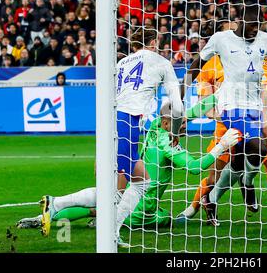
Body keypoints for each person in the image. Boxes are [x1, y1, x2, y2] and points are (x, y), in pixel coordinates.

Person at [40, 27, 184, 247]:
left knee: (142, 181)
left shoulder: (120, 63)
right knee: (115, 189)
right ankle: (56, 203)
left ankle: (113, 231)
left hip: (112, 121)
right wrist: (175, 131)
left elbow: (108, 98)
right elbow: (178, 105)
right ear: (153, 42)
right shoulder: (161, 62)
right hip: (128, 122)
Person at [17, 101, 240, 233]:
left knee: (106, 200)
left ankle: (49, 210)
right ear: (166, 123)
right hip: (143, 207)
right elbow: (193, 167)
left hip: (130, 188)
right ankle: (68, 214)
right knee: (166, 220)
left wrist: (218, 99)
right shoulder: (168, 145)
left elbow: (188, 112)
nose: (185, 126)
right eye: (181, 124)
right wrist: (221, 146)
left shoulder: (155, 126)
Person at [182, 4, 267, 226]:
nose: (256, 31)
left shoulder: (266, 39)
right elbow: (197, 64)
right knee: (259, 147)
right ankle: (247, 182)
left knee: (240, 159)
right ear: (240, 22)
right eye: (252, 26)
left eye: (259, 26)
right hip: (230, 104)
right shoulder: (221, 38)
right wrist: (181, 91)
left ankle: (215, 196)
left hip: (254, 104)